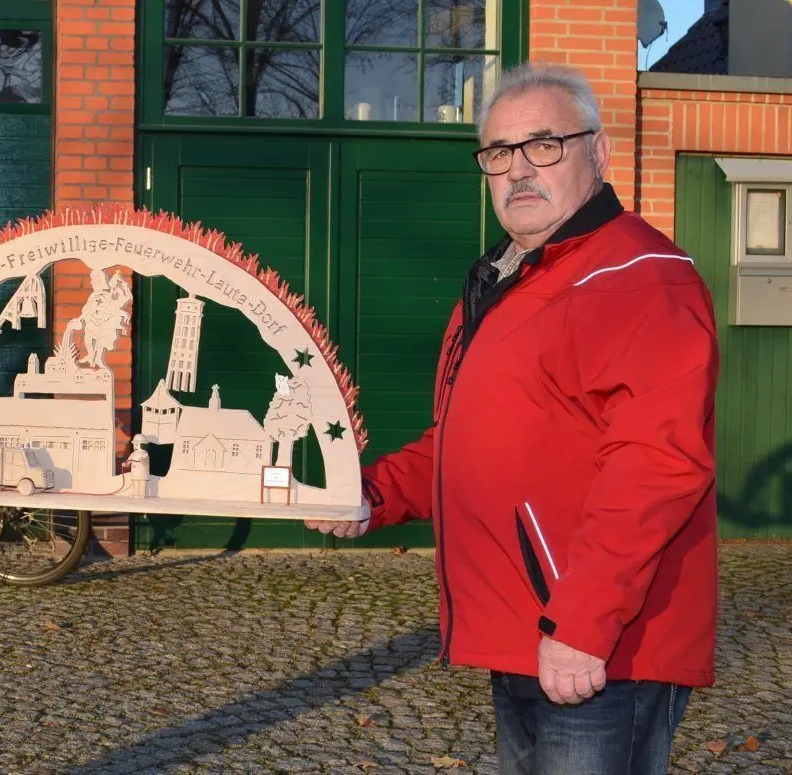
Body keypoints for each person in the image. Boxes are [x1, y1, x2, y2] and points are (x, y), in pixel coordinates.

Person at [308, 63, 719, 774]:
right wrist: (371, 493)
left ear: (599, 153)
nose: (518, 170)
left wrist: (583, 624)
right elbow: (463, 441)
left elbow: (658, 464)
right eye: (499, 153)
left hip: (599, 644)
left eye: (543, 145)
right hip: (529, 630)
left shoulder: (637, 277)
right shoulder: (508, 278)